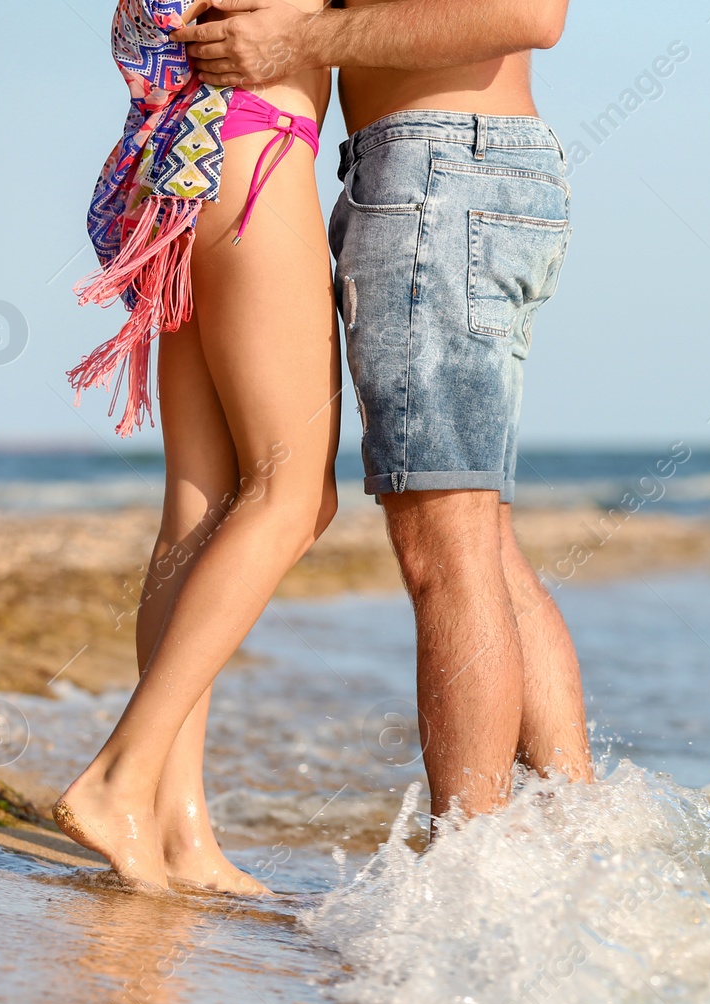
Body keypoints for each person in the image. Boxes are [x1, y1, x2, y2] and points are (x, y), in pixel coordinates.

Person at [173, 0, 594, 821]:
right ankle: (582, 841)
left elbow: (529, 13)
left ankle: (469, 867)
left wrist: (303, 39)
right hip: (461, 171)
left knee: (446, 552)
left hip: (439, 175)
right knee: (481, 543)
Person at [54, 0, 341, 892]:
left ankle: (179, 830)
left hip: (190, 167)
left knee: (203, 497)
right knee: (295, 494)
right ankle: (117, 777)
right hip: (257, 151)